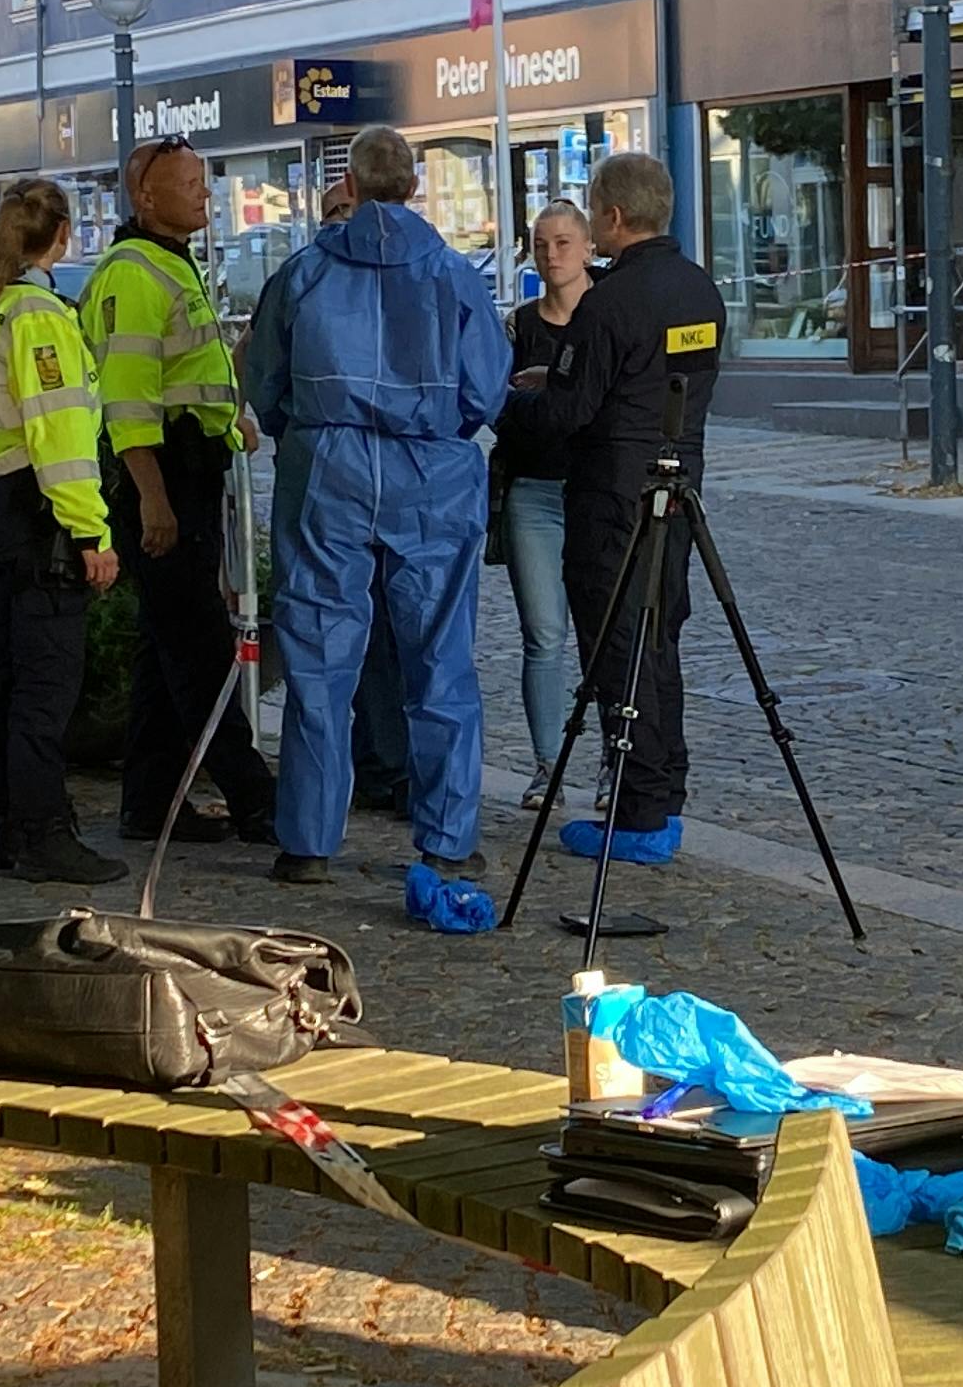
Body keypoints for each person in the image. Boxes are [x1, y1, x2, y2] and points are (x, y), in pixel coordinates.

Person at [254, 125, 512, 886]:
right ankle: (447, 835)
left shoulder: (304, 273)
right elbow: (485, 390)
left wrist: (307, 432)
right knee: (438, 656)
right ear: (414, 187)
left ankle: (307, 840)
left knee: (319, 654)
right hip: (429, 470)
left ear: (354, 187)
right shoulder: (454, 276)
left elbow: (263, 382)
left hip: (327, 467)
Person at [500, 152, 721, 864]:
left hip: (609, 501)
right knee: (661, 641)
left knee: (617, 649)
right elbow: (660, 378)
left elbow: (572, 412)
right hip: (678, 490)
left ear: (614, 218)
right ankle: (666, 794)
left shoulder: (610, 301)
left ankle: (635, 809)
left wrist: (510, 405)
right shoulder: (699, 291)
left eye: (594, 213)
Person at [90, 134, 278, 846]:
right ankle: (257, 798)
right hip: (161, 477)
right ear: (147, 196)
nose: (206, 193)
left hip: (190, 467)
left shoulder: (171, 263)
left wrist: (231, 420)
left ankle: (146, 803)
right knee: (199, 648)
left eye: (204, 180)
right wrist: (152, 498)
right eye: (191, 183)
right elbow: (130, 401)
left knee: (164, 646)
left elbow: (184, 374)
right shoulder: (135, 273)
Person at [0, 179, 129, 887]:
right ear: (61, 236)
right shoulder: (39, 317)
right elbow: (61, 436)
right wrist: (93, 536)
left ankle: (16, 829)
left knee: (16, 675)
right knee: (48, 687)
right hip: (42, 511)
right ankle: (45, 834)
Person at [246, 177, 414, 814]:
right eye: (333, 213)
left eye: (351, 209)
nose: (344, 223)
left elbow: (266, 380)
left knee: (388, 641)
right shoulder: (308, 277)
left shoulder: (315, 276)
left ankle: (375, 779)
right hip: (351, 472)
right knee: (325, 647)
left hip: (354, 471)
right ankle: (331, 809)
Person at [491, 201, 595, 799]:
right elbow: (495, 406)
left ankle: (614, 760)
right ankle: (546, 765)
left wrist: (549, 388)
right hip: (533, 491)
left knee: (602, 632)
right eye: (541, 244)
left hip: (595, 488)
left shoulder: (607, 316)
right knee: (543, 633)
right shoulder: (517, 325)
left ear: (586, 248)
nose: (552, 255)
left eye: (562, 243)